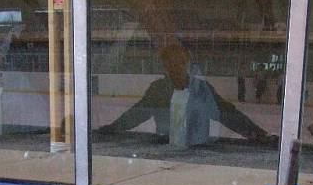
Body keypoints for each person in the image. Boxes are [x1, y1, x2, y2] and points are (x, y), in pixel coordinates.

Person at [98, 44, 276, 145]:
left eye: (180, 62)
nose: (176, 66)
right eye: (171, 63)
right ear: (165, 65)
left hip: (197, 150)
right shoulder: (158, 90)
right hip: (165, 149)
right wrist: (113, 128)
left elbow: (228, 114)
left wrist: (258, 134)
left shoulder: (201, 88)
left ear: (186, 63)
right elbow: (136, 114)